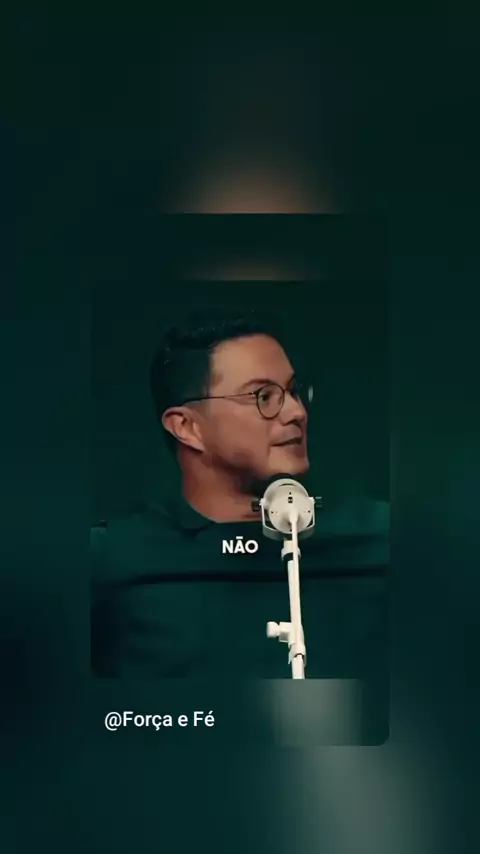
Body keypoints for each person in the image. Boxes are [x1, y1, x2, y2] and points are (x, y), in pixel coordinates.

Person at [91, 308, 389, 682]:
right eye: (264, 396)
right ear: (187, 427)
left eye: (293, 391)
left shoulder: (380, 539)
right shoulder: (109, 560)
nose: (296, 412)